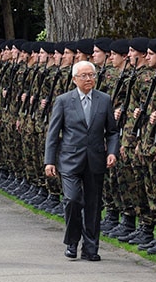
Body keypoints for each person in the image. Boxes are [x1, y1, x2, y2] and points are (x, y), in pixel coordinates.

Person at [44, 60, 119, 261]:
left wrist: (112, 152)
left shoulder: (104, 100)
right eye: (84, 76)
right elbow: (53, 133)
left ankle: (91, 247)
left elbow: (112, 131)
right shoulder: (63, 101)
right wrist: (49, 161)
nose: (88, 79)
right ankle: (72, 241)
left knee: (93, 205)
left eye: (92, 75)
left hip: (95, 159)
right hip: (70, 159)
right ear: (74, 79)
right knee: (72, 199)